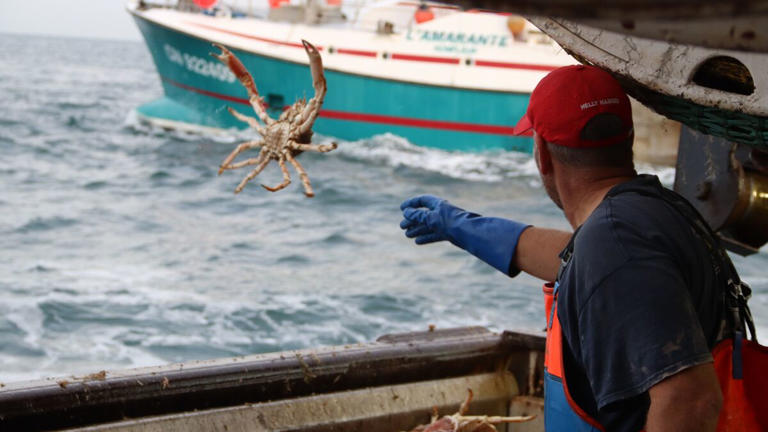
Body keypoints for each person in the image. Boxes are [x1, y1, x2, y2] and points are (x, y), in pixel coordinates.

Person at [399, 65, 734, 431]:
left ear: (542, 152)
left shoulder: (617, 246)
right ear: (630, 138)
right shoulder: (647, 215)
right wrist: (462, 226)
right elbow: (575, 260)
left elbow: (692, 400)